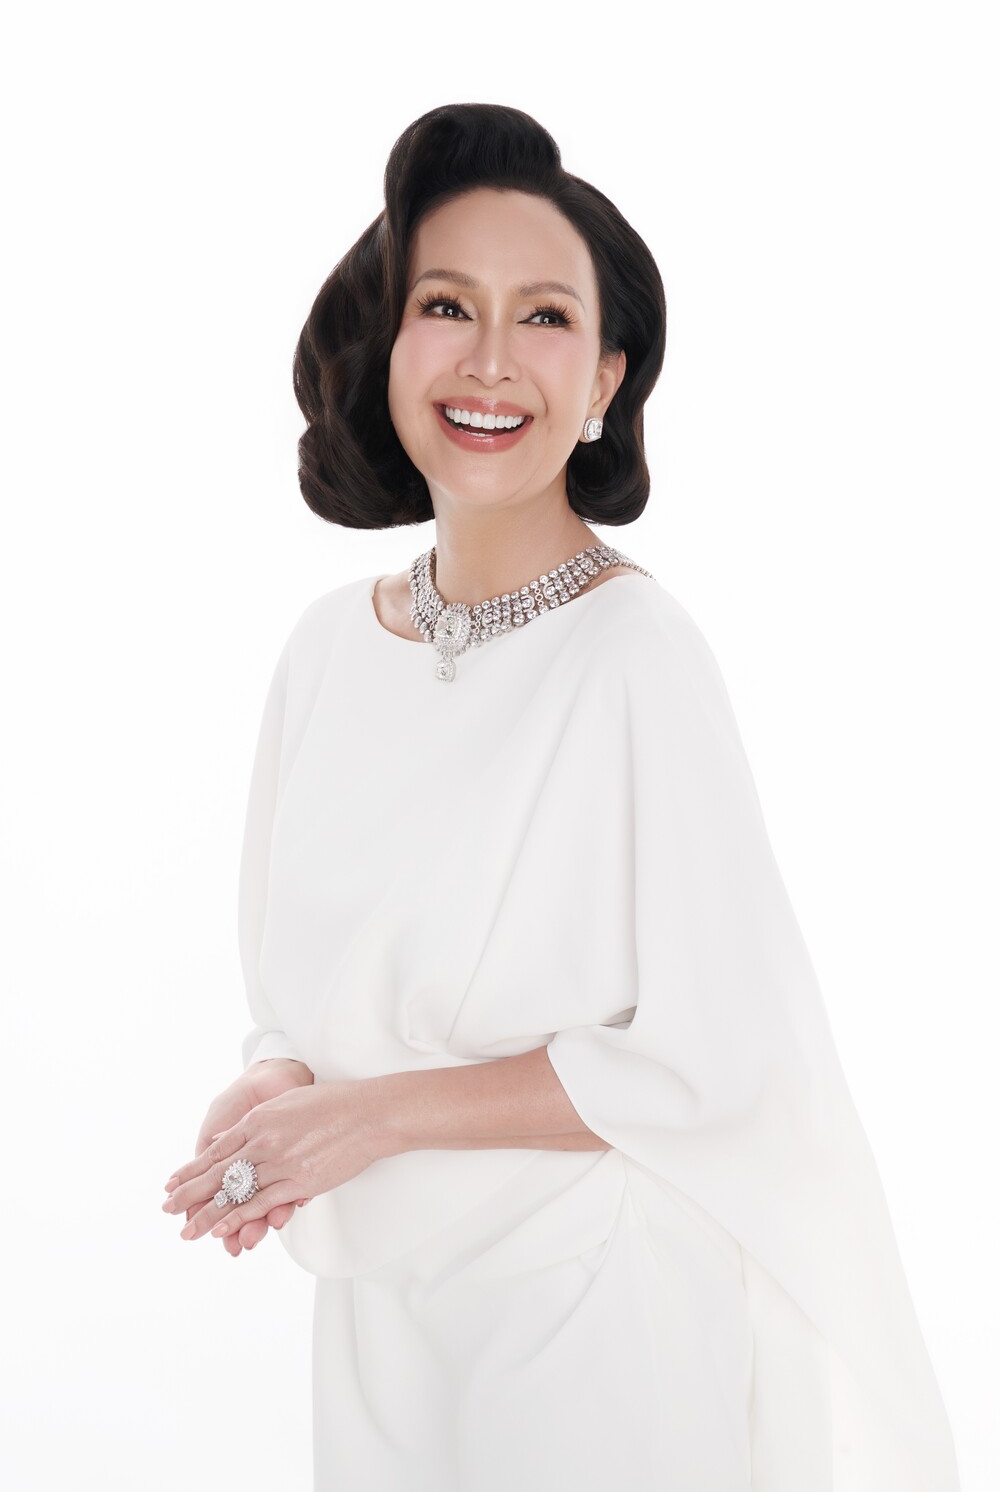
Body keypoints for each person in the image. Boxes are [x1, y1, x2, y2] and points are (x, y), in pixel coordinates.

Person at [162, 103, 961, 1490]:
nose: (489, 358)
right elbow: (300, 987)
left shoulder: (633, 655)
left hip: (599, 1321)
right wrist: (282, 1086)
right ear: (386, 344)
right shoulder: (326, 653)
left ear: (604, 378)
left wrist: (371, 1118)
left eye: (543, 316)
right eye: (445, 305)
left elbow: (718, 1060)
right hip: (385, 1322)